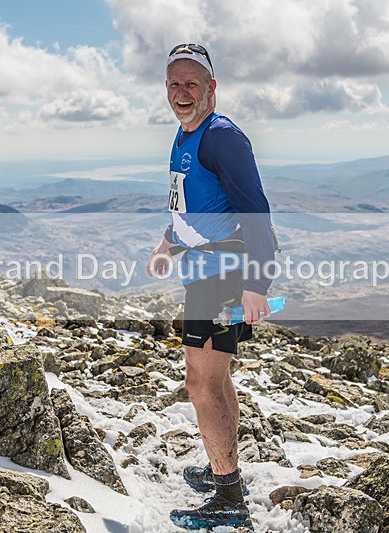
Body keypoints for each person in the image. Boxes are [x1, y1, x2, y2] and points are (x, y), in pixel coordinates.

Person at [146, 43, 276, 530]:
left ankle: (228, 496)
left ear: (211, 88)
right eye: (174, 83)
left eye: (192, 83)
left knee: (199, 382)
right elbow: (193, 208)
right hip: (202, 272)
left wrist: (256, 285)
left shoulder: (221, 138)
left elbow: (255, 211)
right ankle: (223, 471)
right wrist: (167, 244)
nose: (182, 92)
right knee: (216, 378)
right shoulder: (184, 134)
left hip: (224, 276)